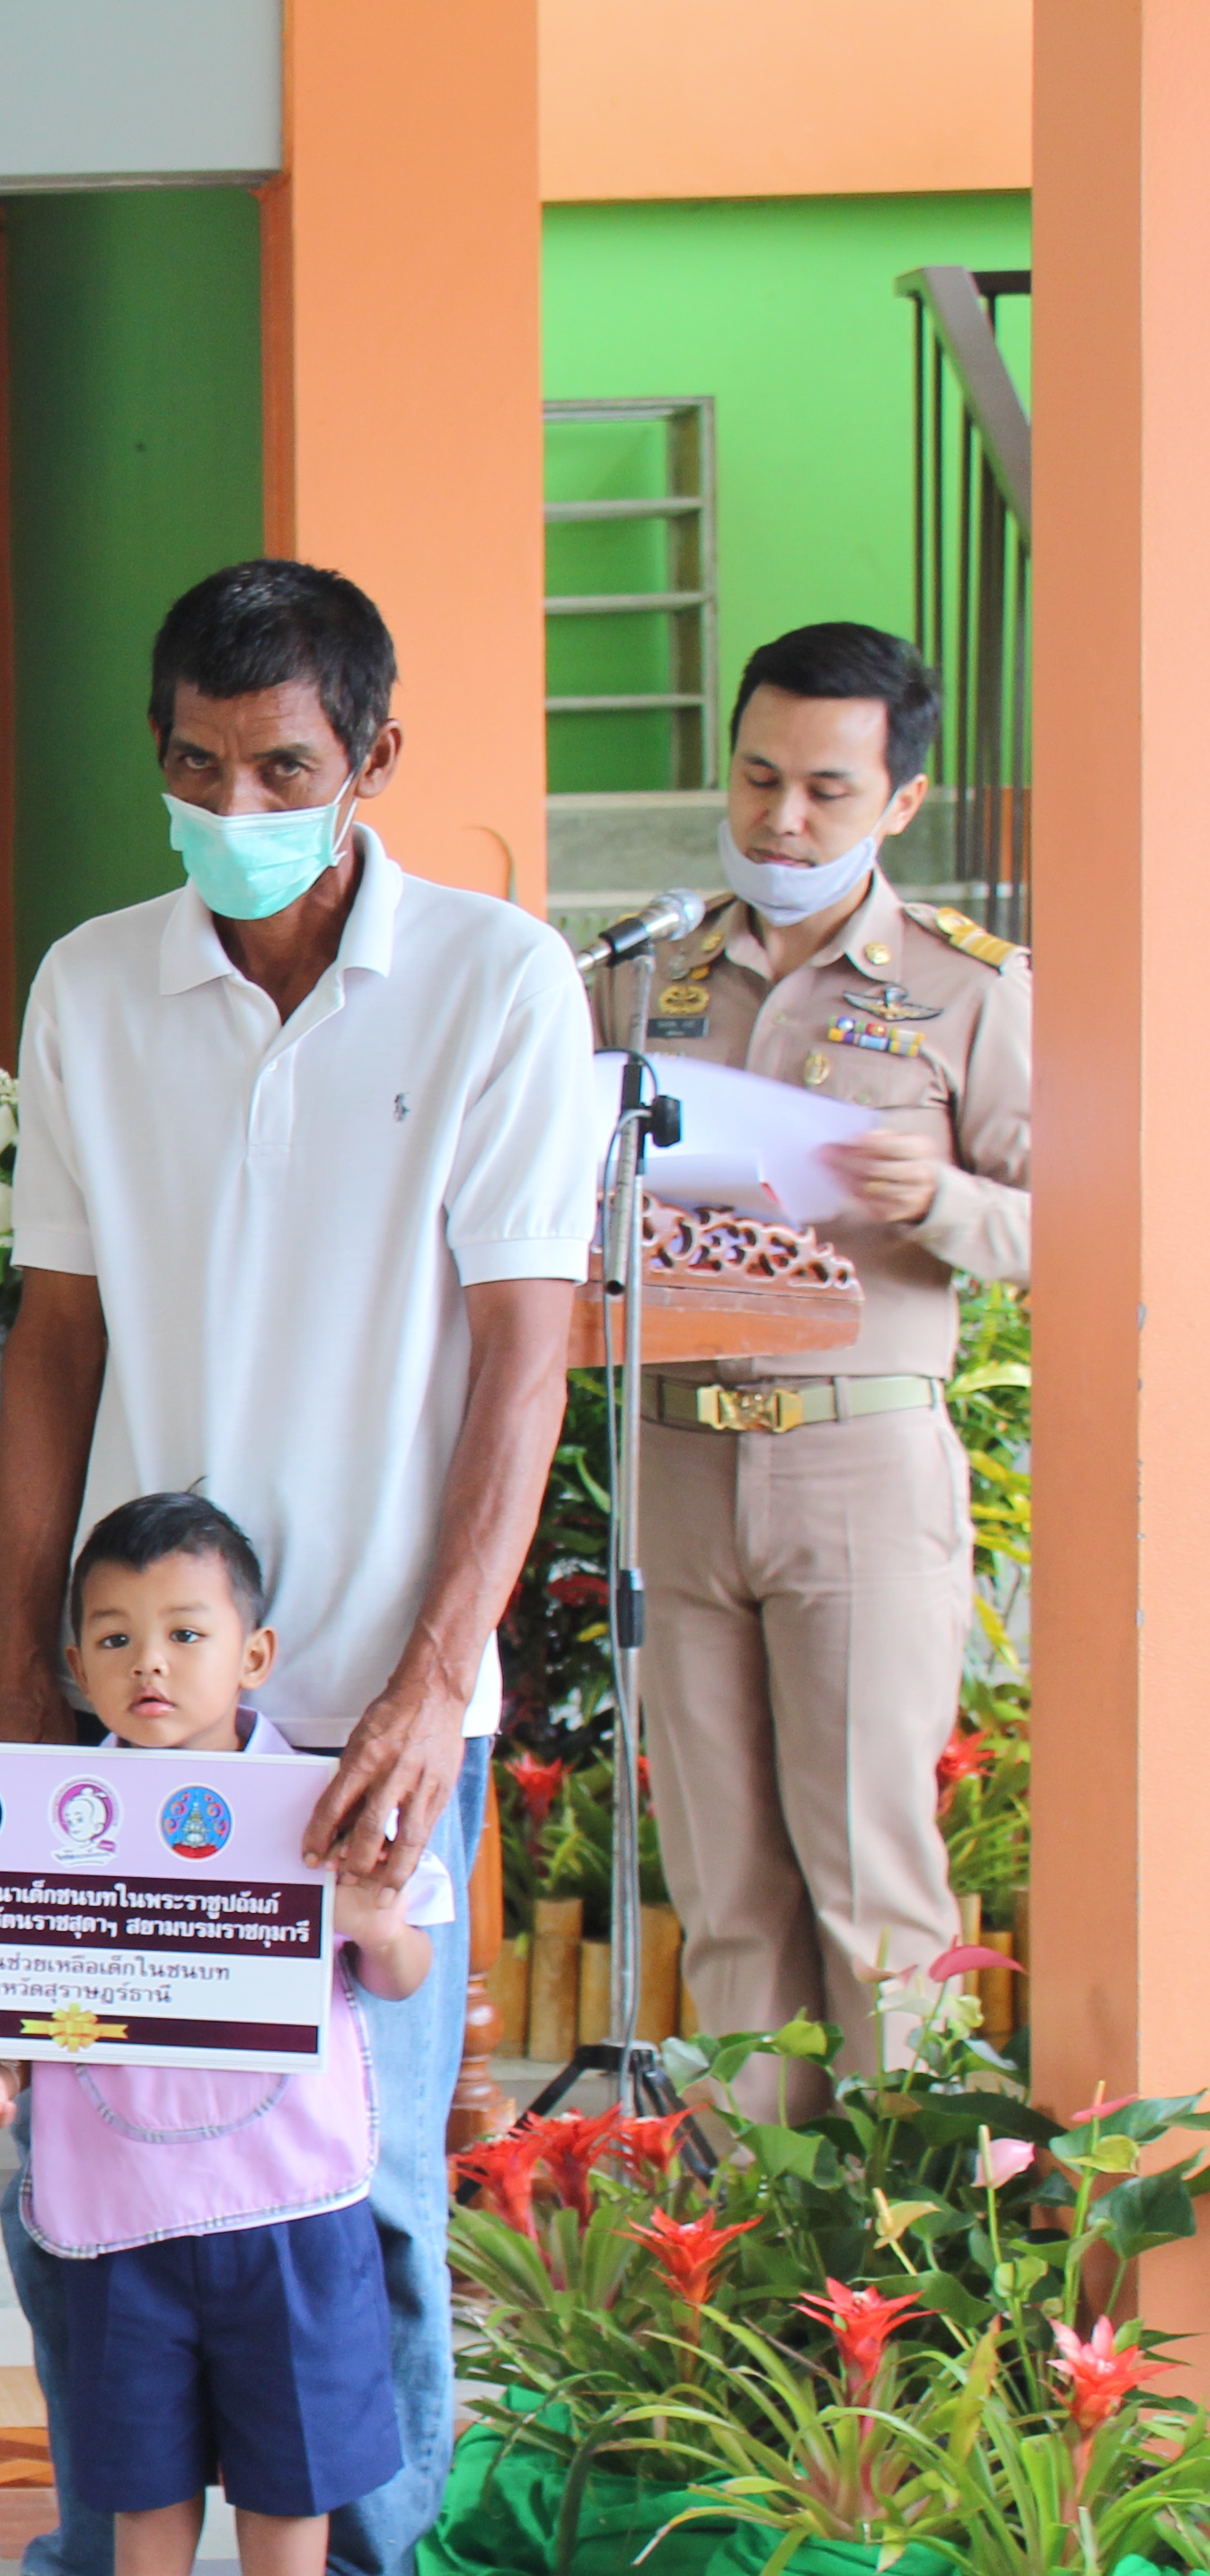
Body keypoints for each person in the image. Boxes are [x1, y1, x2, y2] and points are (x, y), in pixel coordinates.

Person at [0, 559, 590, 2576]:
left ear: (373, 760)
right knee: (82, 2167)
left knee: (362, 2181)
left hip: (364, 1717)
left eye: (283, 769)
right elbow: (57, 1345)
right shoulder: (99, 984)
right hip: (134, 1704)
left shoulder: (499, 985)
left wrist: (427, 1681)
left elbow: (524, 1355)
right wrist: (22, 1681)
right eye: (199, 770)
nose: (238, 807)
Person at [0, 1495, 442, 2576]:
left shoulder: (321, 1800)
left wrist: (370, 1919)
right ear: (72, 1663)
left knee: (292, 2457)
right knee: (138, 2451)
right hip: (118, 2200)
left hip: (288, 2200)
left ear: (253, 1656)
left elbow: (406, 1974)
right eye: (116, 1637)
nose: (152, 1665)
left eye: (188, 1634)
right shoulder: (45, 1825)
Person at [593, 623, 1029, 2094]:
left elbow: (1089, 1230)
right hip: (678, 1455)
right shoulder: (650, 970)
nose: (784, 820)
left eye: (829, 792)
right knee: (724, 1895)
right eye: (760, 776)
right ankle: (751, 2252)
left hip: (858, 1458)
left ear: (903, 802)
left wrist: (948, 1200)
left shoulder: (975, 989)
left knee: (872, 1885)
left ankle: (902, 2237)